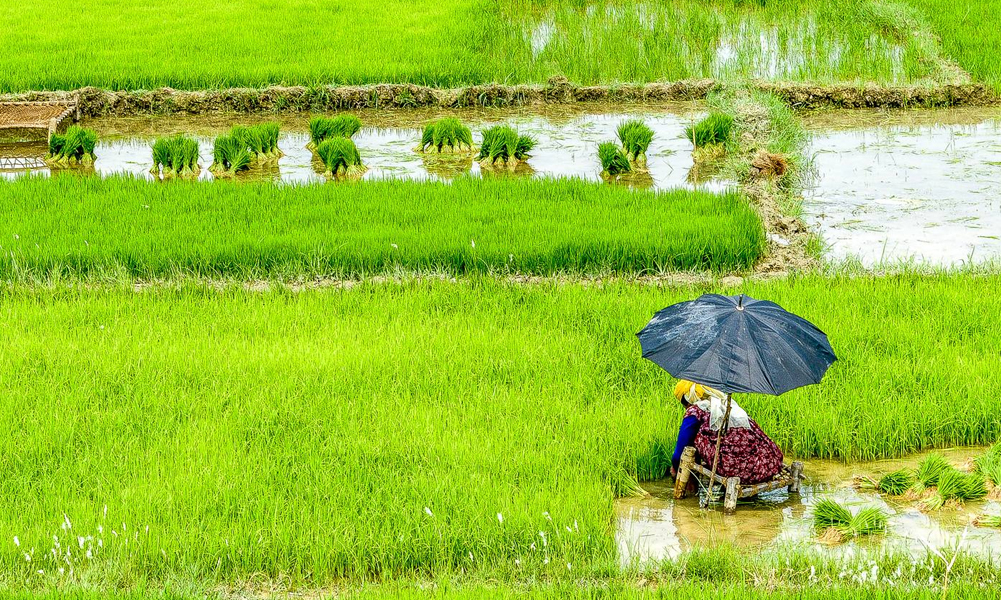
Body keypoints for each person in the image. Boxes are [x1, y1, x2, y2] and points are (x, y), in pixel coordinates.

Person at [670, 380, 784, 485]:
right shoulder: (728, 405)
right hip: (769, 465)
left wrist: (675, 468)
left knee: (695, 437)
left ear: (688, 400)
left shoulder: (695, 411)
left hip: (737, 473)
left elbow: (678, 454)